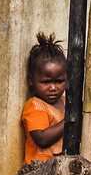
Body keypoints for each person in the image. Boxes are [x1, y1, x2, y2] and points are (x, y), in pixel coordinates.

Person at [21, 33, 67, 164]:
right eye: (46, 82)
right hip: (38, 173)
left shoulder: (64, 102)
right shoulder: (35, 106)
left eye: (59, 81)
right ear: (31, 81)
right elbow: (42, 139)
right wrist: (70, 120)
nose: (53, 88)